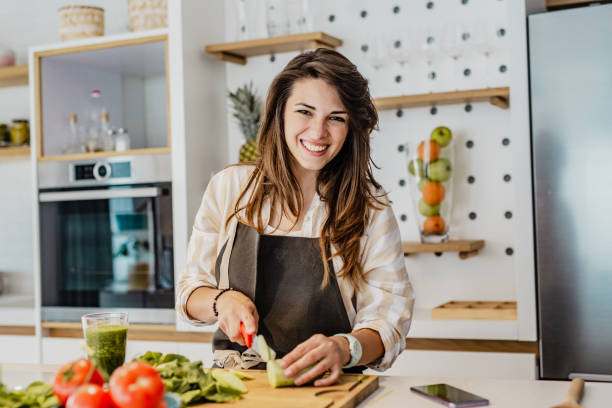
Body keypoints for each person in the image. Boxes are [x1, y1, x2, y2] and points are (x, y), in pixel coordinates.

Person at [176, 48, 414, 387]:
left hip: (330, 389)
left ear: (351, 129)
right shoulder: (229, 188)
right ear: (280, 114)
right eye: (305, 112)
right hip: (237, 387)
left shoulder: (370, 207)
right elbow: (189, 292)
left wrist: (345, 348)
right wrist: (221, 300)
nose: (318, 132)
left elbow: (388, 321)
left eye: (336, 117)